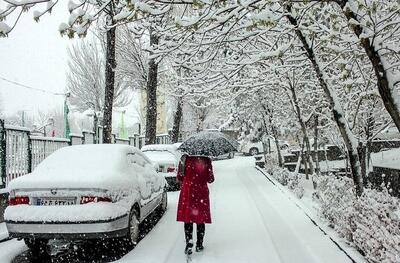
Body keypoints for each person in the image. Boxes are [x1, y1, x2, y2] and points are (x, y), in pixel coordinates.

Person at [176, 154, 215, 255]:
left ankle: (189, 242)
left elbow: (180, 177)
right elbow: (210, 179)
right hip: (201, 192)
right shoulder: (206, 160)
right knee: (200, 218)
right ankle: (199, 244)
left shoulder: (184, 159)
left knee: (188, 218)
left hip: (188, 191)